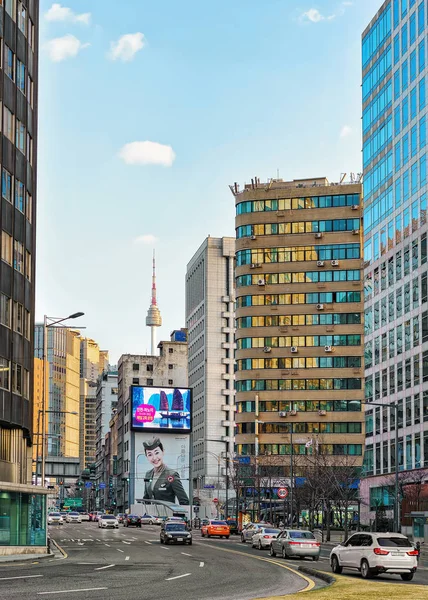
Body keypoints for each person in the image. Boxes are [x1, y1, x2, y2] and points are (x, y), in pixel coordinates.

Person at [143, 437, 189, 505]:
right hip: (151, 514)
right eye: (150, 455)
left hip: (167, 514)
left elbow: (184, 500)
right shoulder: (148, 474)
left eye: (157, 453)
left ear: (163, 452)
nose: (154, 458)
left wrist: (180, 514)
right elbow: (146, 499)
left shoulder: (172, 475)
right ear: (146, 456)